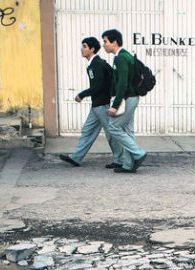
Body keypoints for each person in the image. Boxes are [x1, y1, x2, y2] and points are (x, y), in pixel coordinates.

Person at [59, 37, 115, 167]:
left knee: (111, 133)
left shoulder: (97, 64)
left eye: (84, 46)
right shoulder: (93, 64)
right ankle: (76, 158)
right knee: (88, 131)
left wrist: (82, 94)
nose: (82, 49)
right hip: (97, 105)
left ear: (92, 49)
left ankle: (123, 158)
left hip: (102, 105)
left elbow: (99, 86)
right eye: (82, 46)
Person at [101, 29, 147, 173]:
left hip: (127, 99)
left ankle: (138, 153)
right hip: (131, 98)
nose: (104, 45)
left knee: (113, 127)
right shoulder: (126, 55)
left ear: (114, 42)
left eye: (105, 41)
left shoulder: (120, 58)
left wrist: (115, 106)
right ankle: (128, 164)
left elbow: (122, 84)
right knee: (127, 130)